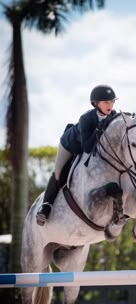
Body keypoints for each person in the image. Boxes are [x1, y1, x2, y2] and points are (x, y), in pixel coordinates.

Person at [36, 84, 118, 226]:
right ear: (96, 104)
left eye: (112, 101)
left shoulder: (113, 115)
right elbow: (87, 148)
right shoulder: (86, 119)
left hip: (91, 146)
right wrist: (100, 126)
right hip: (71, 145)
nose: (110, 105)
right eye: (106, 102)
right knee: (59, 173)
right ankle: (45, 207)